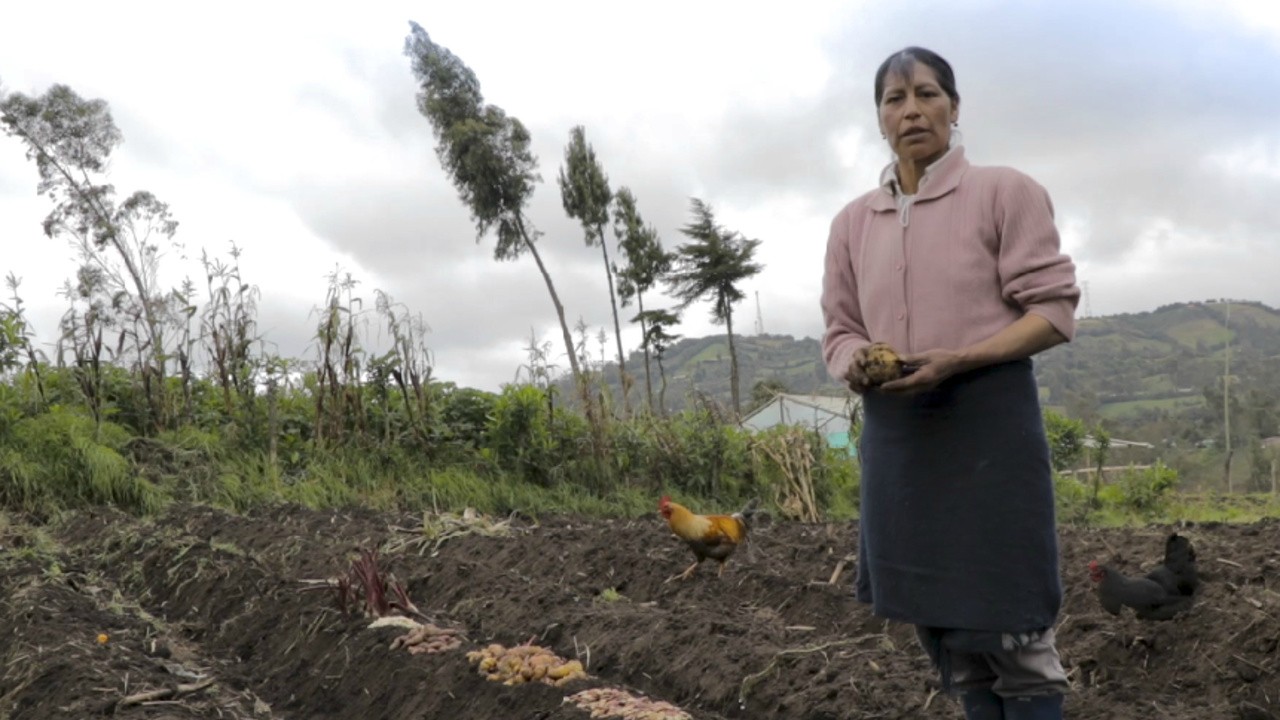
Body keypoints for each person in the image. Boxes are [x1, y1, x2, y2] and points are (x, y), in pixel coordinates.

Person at [820, 47, 1080, 720]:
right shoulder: (852, 223)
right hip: (900, 439)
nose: (912, 111)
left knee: (1013, 630)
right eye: (894, 99)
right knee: (944, 630)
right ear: (879, 117)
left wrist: (959, 360)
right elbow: (840, 329)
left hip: (986, 427)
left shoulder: (1004, 192)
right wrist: (854, 361)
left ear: (954, 108)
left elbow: (1052, 313)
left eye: (928, 94)